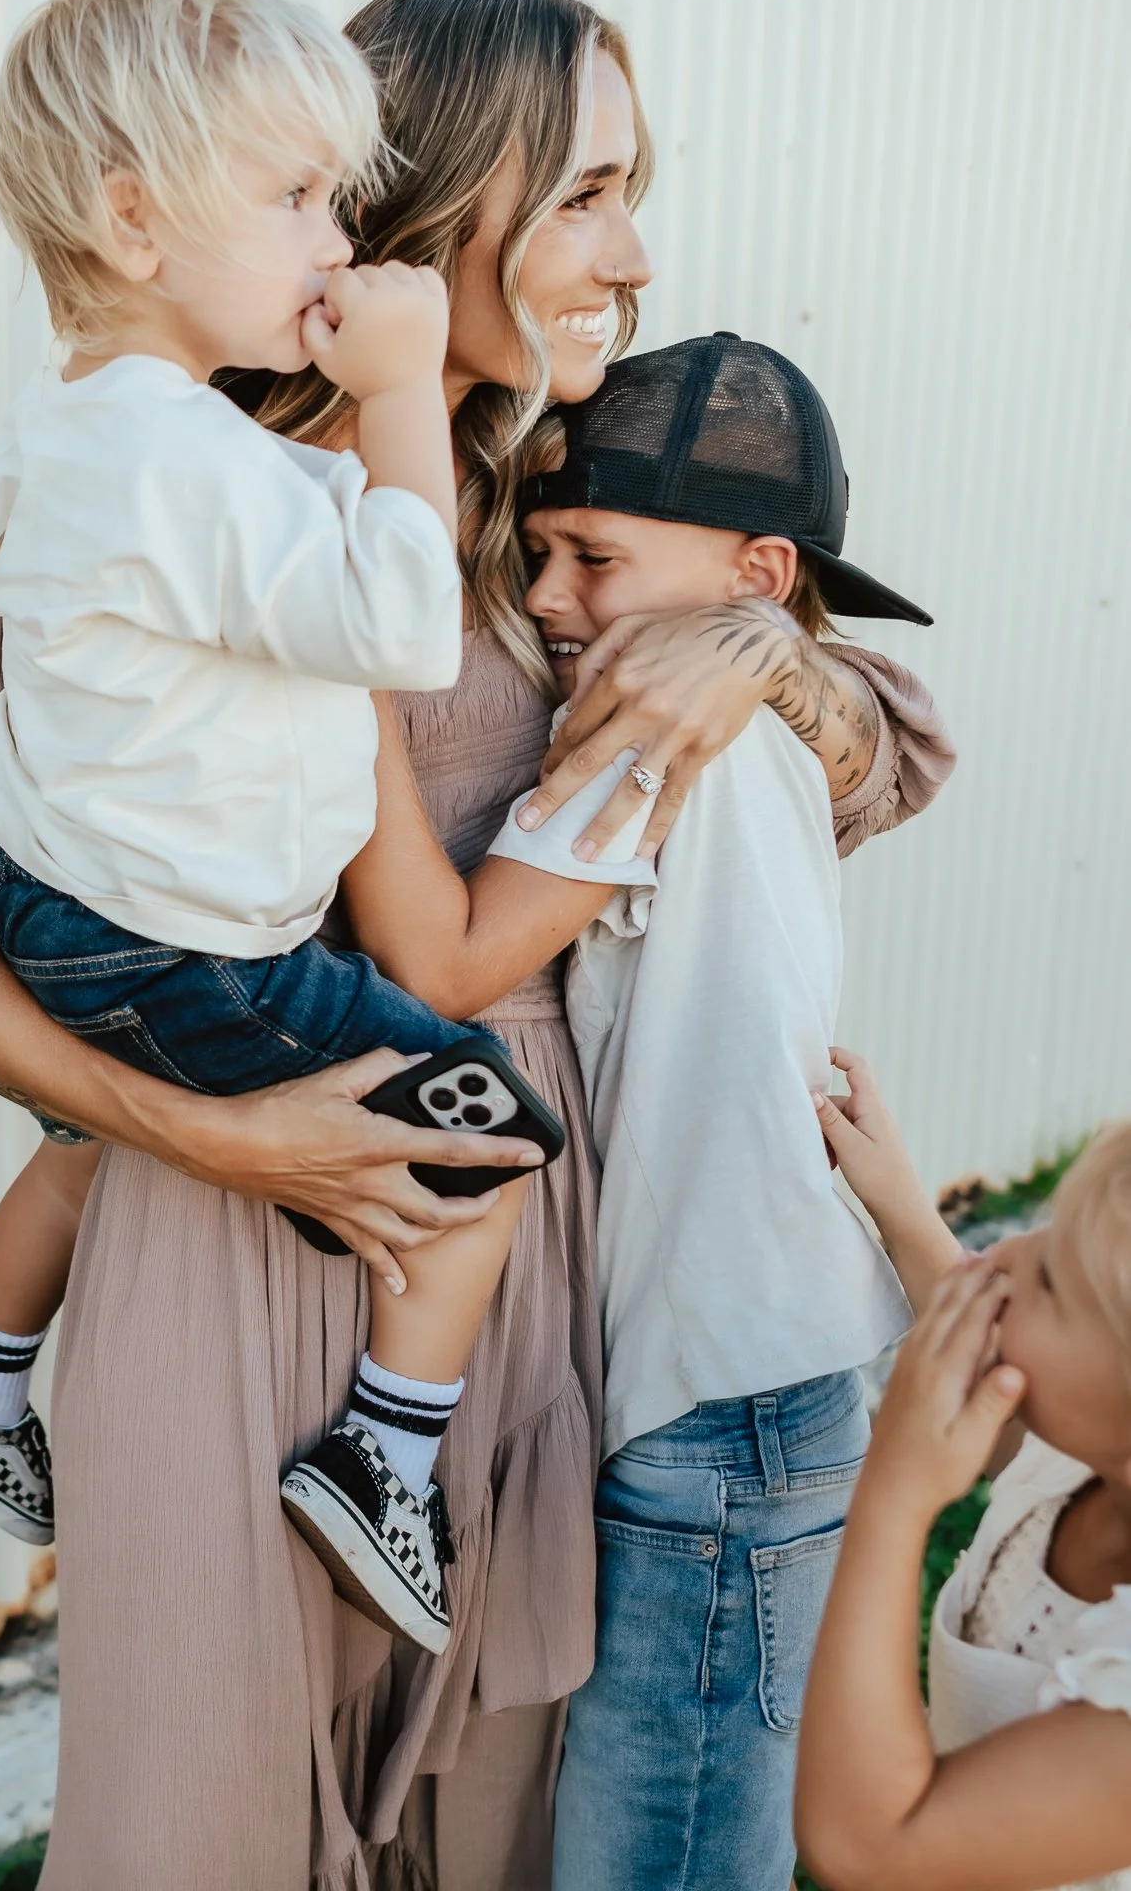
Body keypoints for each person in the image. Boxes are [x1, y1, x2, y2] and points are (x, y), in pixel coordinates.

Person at [0, 0, 952, 1890]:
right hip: (232, 1252)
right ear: (436, 195)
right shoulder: (160, 502)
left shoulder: (556, 514)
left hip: (505, 1297)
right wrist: (207, 1131)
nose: (632, 251)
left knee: (488, 1825)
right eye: (584, 192)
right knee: (209, 1826)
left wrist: (766, 650)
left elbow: (886, 746)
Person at [0, 0, 545, 1658]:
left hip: (67, 914)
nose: (345, 242)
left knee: (82, 1139)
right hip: (179, 946)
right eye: (300, 196)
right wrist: (400, 392)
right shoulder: (176, 459)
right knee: (491, 1143)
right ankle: (380, 1456)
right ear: (130, 221)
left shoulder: (87, 434)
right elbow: (394, 623)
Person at [332, 333, 947, 1891]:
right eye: (534, 553)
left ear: (756, 571)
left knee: (657, 1861)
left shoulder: (665, 722)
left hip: (718, 1407)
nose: (547, 600)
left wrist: (335, 696)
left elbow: (442, 956)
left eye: (591, 556)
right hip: (743, 1383)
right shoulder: (736, 702)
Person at [796, 1066, 1131, 1891]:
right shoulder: (1085, 1461)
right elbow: (982, 1346)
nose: (1005, 1252)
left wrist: (894, 1497)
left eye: (1049, 1278)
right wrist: (896, 1199)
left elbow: (867, 1845)